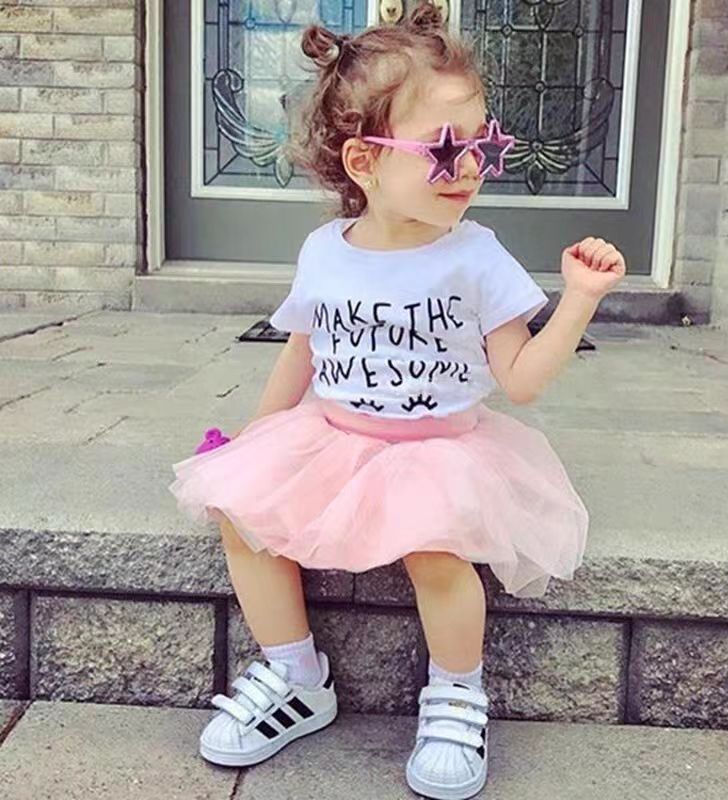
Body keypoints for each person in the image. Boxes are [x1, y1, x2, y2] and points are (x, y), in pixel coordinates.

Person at [168, 4, 625, 798]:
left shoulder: (476, 257)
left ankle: (456, 693)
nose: (471, 166)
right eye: (446, 149)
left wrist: (579, 300)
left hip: (437, 448)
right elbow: (302, 351)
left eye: (482, 144)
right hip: (332, 434)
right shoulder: (324, 252)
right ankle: (295, 674)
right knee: (243, 519)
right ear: (364, 161)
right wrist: (256, 437)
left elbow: (520, 381)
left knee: (436, 551)